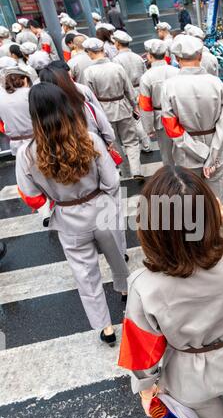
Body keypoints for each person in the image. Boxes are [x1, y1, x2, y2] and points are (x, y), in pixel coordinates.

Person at [118, 166, 223, 418]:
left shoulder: (142, 284)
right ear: (210, 216)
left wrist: (145, 389)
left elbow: (141, 347)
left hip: (186, 371)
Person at [16, 83, 129, 346]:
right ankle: (125, 291)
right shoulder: (89, 139)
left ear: (34, 114)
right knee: (117, 256)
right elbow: (111, 181)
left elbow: (30, 195)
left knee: (85, 274)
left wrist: (51, 201)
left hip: (67, 215)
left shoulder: (27, 153)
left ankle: (105, 326)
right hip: (100, 207)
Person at [161, 35, 223, 211]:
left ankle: (199, 237)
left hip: (186, 153)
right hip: (216, 149)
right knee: (220, 201)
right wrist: (212, 155)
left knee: (193, 204)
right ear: (200, 56)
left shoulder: (169, 86)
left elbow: (172, 128)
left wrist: (201, 153)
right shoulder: (216, 83)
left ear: (177, 59)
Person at [83, 38, 143, 181]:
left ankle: (126, 171)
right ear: (103, 51)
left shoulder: (88, 72)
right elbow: (129, 90)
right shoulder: (117, 67)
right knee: (131, 141)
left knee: (113, 143)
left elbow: (89, 98)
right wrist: (134, 106)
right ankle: (136, 170)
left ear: (90, 53)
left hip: (103, 112)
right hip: (123, 107)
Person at [139, 39, 179, 166]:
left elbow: (145, 106)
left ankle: (172, 179)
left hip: (161, 118)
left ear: (149, 56)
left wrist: (148, 128)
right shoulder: (176, 71)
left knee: (167, 153)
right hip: (179, 114)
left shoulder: (147, 77)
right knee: (183, 149)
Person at [113, 30, 151, 153]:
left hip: (128, 91)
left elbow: (119, 80)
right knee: (141, 116)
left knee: (136, 119)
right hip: (141, 88)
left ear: (118, 44)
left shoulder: (116, 60)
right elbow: (145, 74)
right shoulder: (138, 57)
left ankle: (146, 144)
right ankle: (147, 143)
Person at [0, 67, 33, 156]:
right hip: (35, 141)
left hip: (15, 144)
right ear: (25, 79)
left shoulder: (1, 97)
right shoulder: (29, 93)